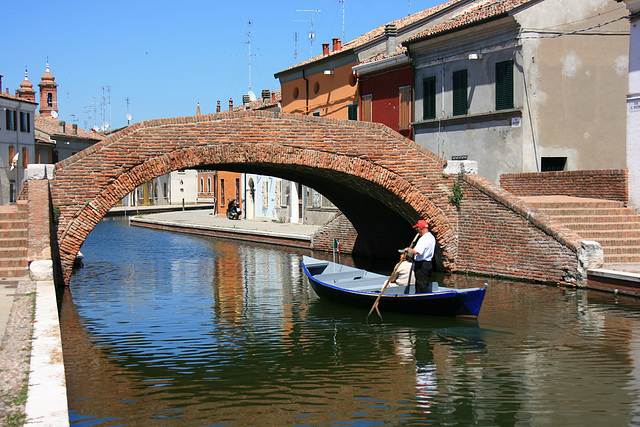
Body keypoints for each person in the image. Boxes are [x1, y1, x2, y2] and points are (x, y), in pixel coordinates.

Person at [404, 219, 435, 293]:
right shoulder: (431, 237)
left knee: (421, 284)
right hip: (428, 264)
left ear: (421, 229)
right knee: (422, 283)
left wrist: (408, 249)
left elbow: (416, 251)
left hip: (422, 265)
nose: (416, 231)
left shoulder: (424, 239)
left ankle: (423, 299)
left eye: (417, 229)